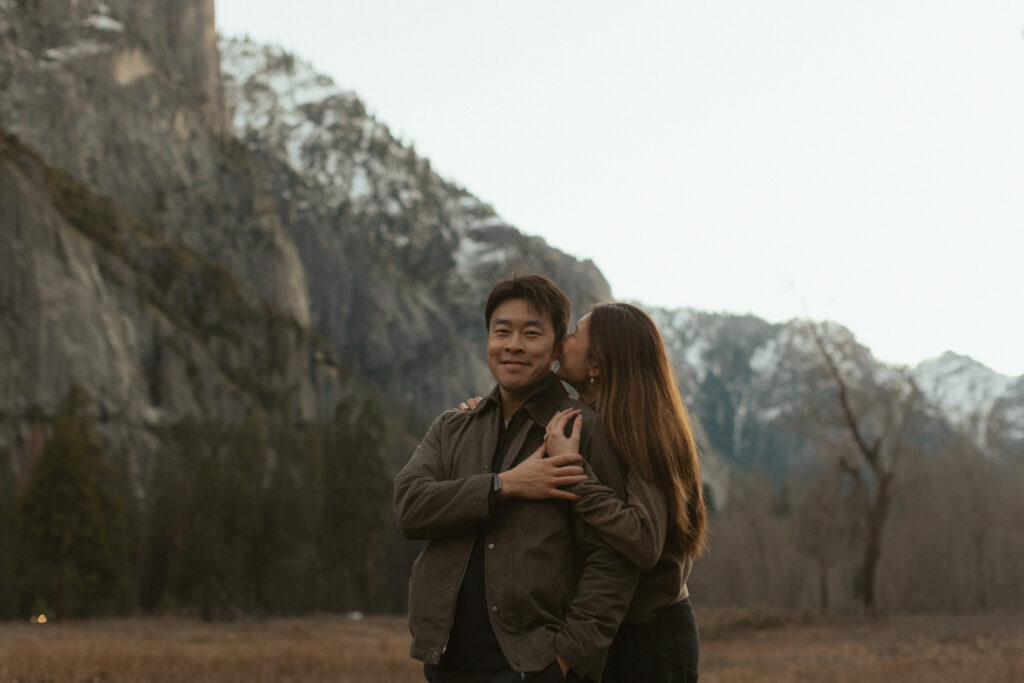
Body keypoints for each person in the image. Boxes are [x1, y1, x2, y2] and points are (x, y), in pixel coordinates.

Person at [394, 275, 639, 683]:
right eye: (501, 331)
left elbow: (612, 558)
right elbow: (409, 508)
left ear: (558, 346)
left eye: (531, 333)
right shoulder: (453, 427)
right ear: (487, 338)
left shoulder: (584, 430)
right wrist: (503, 485)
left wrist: (566, 659)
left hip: (533, 667)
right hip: (445, 661)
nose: (513, 345)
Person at [462, 302, 707, 682]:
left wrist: (573, 473)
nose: (562, 342)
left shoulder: (643, 428)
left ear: (597, 365)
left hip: (651, 635)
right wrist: (492, 414)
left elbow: (644, 541)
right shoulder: (589, 420)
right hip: (604, 632)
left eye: (575, 333)